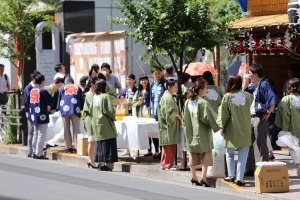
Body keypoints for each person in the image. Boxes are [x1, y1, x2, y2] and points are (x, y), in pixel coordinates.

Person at [217, 74, 253, 186]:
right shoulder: (248, 96)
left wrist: (221, 126)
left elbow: (224, 114)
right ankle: (240, 178)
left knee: (230, 153)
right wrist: (245, 87)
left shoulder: (227, 96)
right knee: (243, 154)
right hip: (245, 128)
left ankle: (231, 175)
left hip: (231, 128)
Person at [184, 77, 219, 187]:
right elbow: (209, 118)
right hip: (202, 132)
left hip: (190, 132)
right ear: (201, 89)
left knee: (192, 154)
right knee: (205, 155)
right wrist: (218, 126)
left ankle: (194, 177)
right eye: (205, 88)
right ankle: (204, 178)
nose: (207, 90)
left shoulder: (187, 102)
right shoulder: (204, 103)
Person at [243, 63, 277, 176]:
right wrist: (245, 84)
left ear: (255, 74)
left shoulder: (264, 84)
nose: (248, 75)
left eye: (250, 73)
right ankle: (250, 168)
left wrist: (268, 112)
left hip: (260, 116)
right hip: (251, 116)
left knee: (260, 142)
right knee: (248, 142)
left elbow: (273, 99)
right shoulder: (255, 85)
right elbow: (244, 94)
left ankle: (264, 167)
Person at [275, 78, 300, 177]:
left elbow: (284, 115)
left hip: (292, 128)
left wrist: (284, 127)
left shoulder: (286, 99)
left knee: (293, 148)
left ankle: (298, 165)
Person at [92, 80, 118, 171]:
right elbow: (110, 110)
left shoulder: (94, 97)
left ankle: (100, 163)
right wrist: (114, 117)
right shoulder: (105, 96)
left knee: (100, 143)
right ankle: (104, 164)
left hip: (96, 122)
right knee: (107, 143)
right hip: (105, 122)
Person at [158, 77, 181, 170]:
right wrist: (177, 115)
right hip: (168, 125)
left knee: (167, 144)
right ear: (169, 87)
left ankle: (164, 163)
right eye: (174, 86)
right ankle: (168, 164)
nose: (176, 88)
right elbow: (168, 114)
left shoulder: (167, 96)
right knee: (169, 144)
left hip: (166, 125)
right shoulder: (168, 98)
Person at [57, 76, 84, 153]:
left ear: (65, 82)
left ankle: (68, 147)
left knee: (66, 129)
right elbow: (81, 100)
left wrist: (58, 109)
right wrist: (81, 109)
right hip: (75, 108)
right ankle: (78, 147)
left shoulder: (62, 88)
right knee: (76, 129)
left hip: (64, 110)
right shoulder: (78, 88)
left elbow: (59, 100)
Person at [29, 74, 53, 159]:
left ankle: (34, 152)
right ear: (43, 81)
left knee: (35, 134)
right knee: (41, 134)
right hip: (42, 113)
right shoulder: (42, 91)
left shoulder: (32, 90)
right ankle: (39, 153)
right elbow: (50, 101)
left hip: (34, 114)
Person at [149, 66, 166, 159]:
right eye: (156, 73)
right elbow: (150, 98)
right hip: (153, 111)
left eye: (159, 73)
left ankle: (162, 151)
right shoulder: (151, 85)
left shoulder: (165, 83)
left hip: (162, 112)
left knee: (161, 132)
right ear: (152, 74)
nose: (158, 75)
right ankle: (156, 151)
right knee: (153, 131)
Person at [23, 70, 41, 157]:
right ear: (33, 78)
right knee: (31, 132)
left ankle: (35, 150)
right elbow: (26, 102)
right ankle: (30, 151)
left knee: (37, 132)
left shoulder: (38, 87)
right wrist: (28, 112)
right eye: (37, 77)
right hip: (31, 112)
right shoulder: (28, 88)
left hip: (38, 112)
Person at [83, 77, 98, 169]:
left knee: (93, 141)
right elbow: (93, 107)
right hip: (90, 119)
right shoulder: (89, 95)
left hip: (93, 118)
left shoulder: (93, 94)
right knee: (92, 140)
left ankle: (91, 160)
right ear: (92, 84)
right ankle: (91, 160)